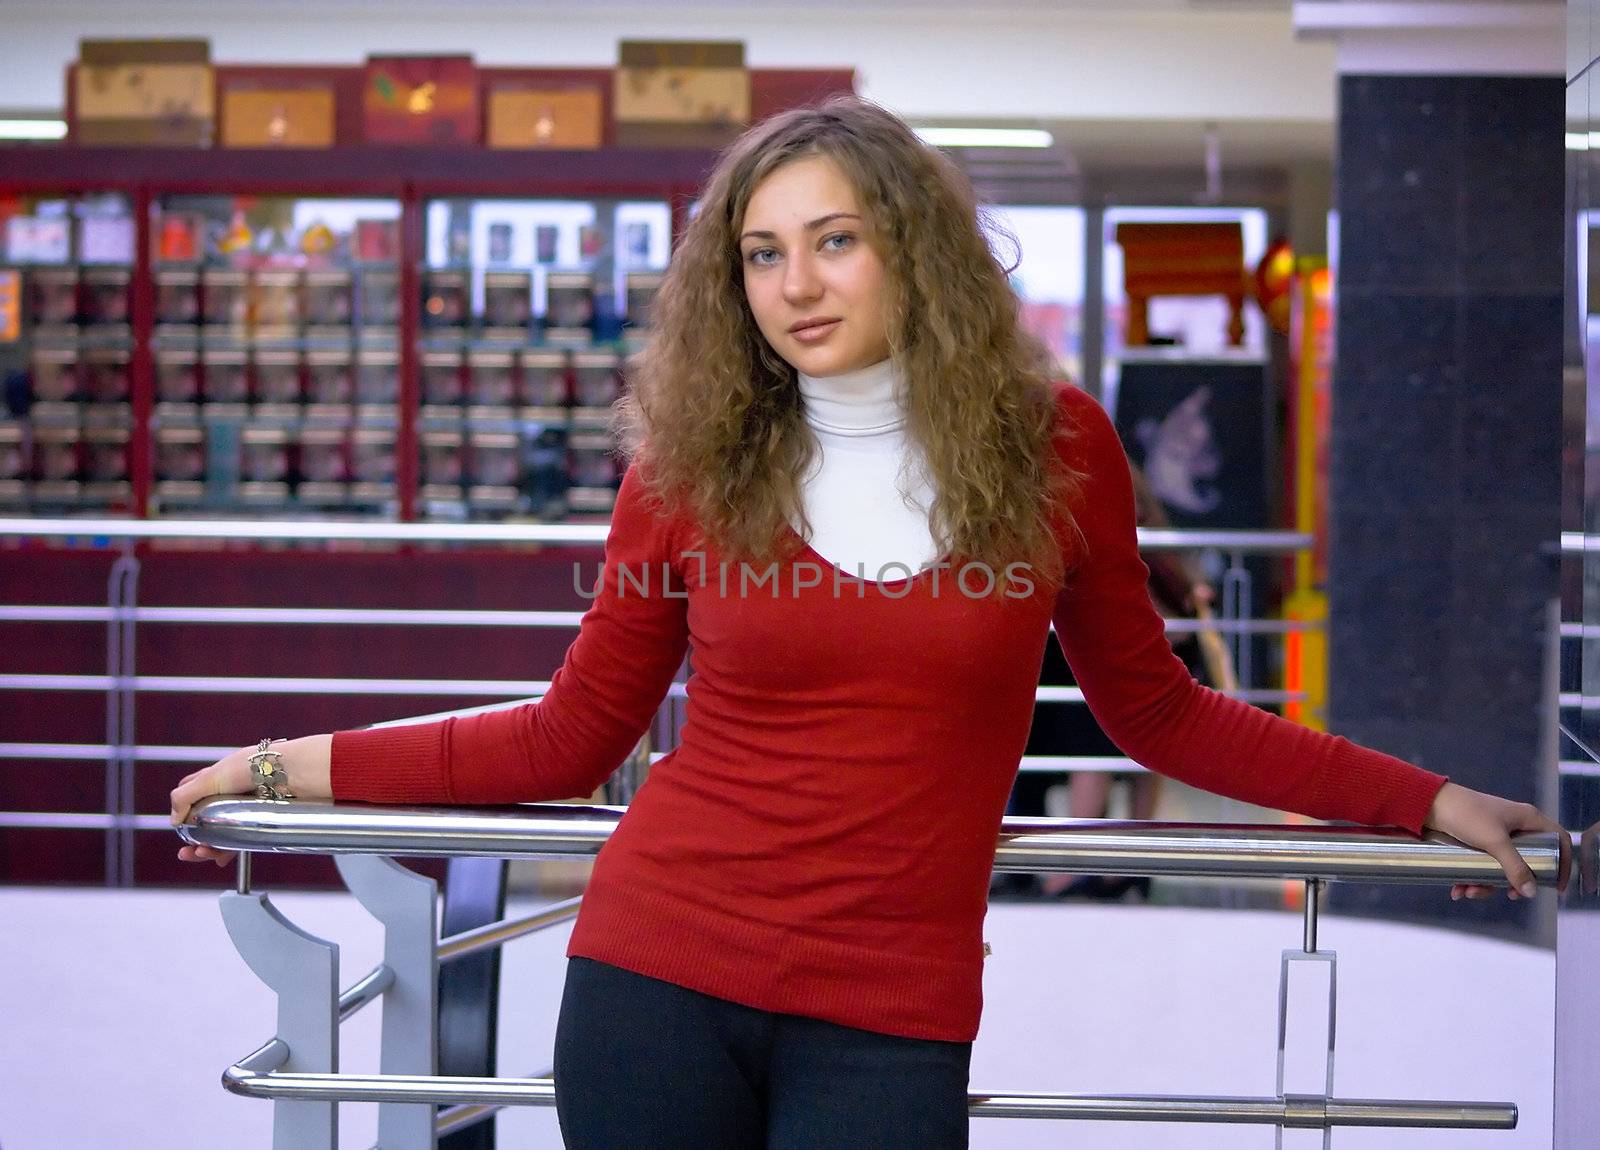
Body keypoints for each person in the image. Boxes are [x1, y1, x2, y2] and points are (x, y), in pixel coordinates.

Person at [171, 96, 1568, 1150]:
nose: (796, 286)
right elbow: (570, 730)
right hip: (654, 973)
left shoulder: (1058, 447)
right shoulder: (689, 465)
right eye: (765, 254)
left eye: (835, 240)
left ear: (913, 246)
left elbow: (1163, 713)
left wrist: (1426, 797)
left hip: (891, 1007)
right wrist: (286, 767)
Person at [1003, 462, 1213, 901]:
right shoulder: (1136, 509)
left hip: (1092, 646)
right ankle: (1129, 863)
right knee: (1136, 750)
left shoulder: (1079, 498)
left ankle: (1074, 868)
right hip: (1129, 644)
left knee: (1093, 748)